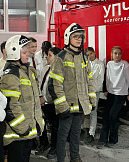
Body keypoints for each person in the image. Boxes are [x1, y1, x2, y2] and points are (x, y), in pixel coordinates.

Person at [48, 23, 97, 162]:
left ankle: (75, 157)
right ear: (68, 37)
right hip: (67, 106)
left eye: (80, 37)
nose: (79, 39)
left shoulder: (84, 57)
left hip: (81, 104)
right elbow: (54, 85)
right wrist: (62, 106)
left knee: (76, 134)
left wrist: (92, 101)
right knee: (62, 135)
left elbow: (90, 81)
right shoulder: (60, 58)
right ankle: (61, 159)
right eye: (75, 36)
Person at [0, 35, 44, 162]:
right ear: (14, 53)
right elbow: (10, 107)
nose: (27, 54)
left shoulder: (26, 71)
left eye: (27, 51)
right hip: (18, 135)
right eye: (24, 52)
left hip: (26, 133)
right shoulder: (11, 75)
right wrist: (24, 128)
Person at [96, 46, 129, 149]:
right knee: (106, 116)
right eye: (115, 53)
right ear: (112, 54)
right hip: (111, 94)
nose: (117, 55)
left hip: (121, 95)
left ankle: (113, 139)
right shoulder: (109, 64)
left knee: (113, 116)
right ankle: (102, 139)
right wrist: (106, 90)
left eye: (119, 53)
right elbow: (108, 78)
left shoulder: (124, 65)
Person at [35, 46, 61, 159]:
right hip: (43, 102)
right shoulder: (46, 68)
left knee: (55, 126)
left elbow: (57, 89)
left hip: (52, 103)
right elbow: (41, 83)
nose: (47, 57)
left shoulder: (60, 70)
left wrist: (45, 99)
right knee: (41, 123)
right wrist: (40, 96)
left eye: (50, 55)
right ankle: (44, 142)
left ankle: (54, 147)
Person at [84, 47, 105, 144]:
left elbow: (100, 81)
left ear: (94, 53)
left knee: (93, 112)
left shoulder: (100, 64)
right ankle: (80, 129)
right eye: (87, 54)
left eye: (91, 53)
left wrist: (91, 90)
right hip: (84, 91)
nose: (90, 56)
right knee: (83, 111)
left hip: (94, 92)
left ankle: (91, 133)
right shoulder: (85, 64)